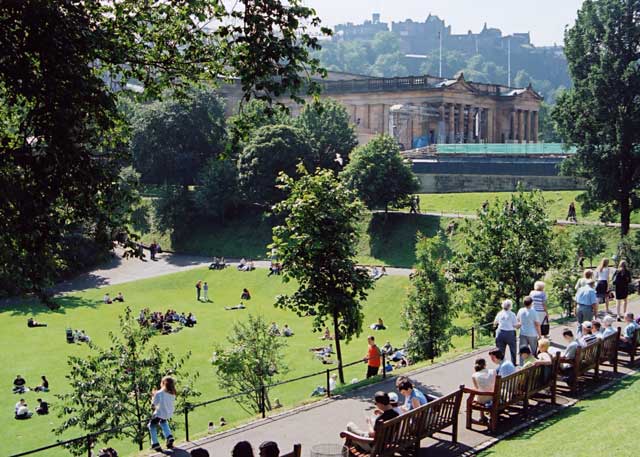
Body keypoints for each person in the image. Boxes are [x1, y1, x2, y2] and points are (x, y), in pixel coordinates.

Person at [148, 376, 177, 451]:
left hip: (160, 413)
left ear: (163, 383)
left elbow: (153, 405)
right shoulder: (173, 393)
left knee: (151, 426)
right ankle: (169, 436)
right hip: (168, 413)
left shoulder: (159, 393)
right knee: (163, 422)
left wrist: (153, 396)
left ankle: (155, 444)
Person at [493, 299, 519, 365]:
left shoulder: (500, 313)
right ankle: (513, 363)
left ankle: (501, 363)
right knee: (513, 349)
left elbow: (495, 323)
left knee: (501, 350)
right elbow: (515, 325)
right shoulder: (512, 314)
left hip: (500, 333)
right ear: (510, 306)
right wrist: (520, 324)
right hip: (510, 333)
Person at [470, 358, 495, 424]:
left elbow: (476, 388)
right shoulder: (493, 371)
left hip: (483, 399)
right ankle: (486, 415)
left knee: (479, 395)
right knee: (483, 393)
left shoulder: (474, 375)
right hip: (494, 396)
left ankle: (482, 416)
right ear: (485, 365)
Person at [517, 296, 541, 362]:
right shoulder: (534, 312)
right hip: (532, 333)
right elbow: (537, 324)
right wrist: (539, 335)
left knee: (522, 350)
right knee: (533, 350)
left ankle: (522, 364)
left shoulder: (521, 310)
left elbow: (518, 320)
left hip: (523, 332)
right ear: (531, 303)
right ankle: (533, 364)